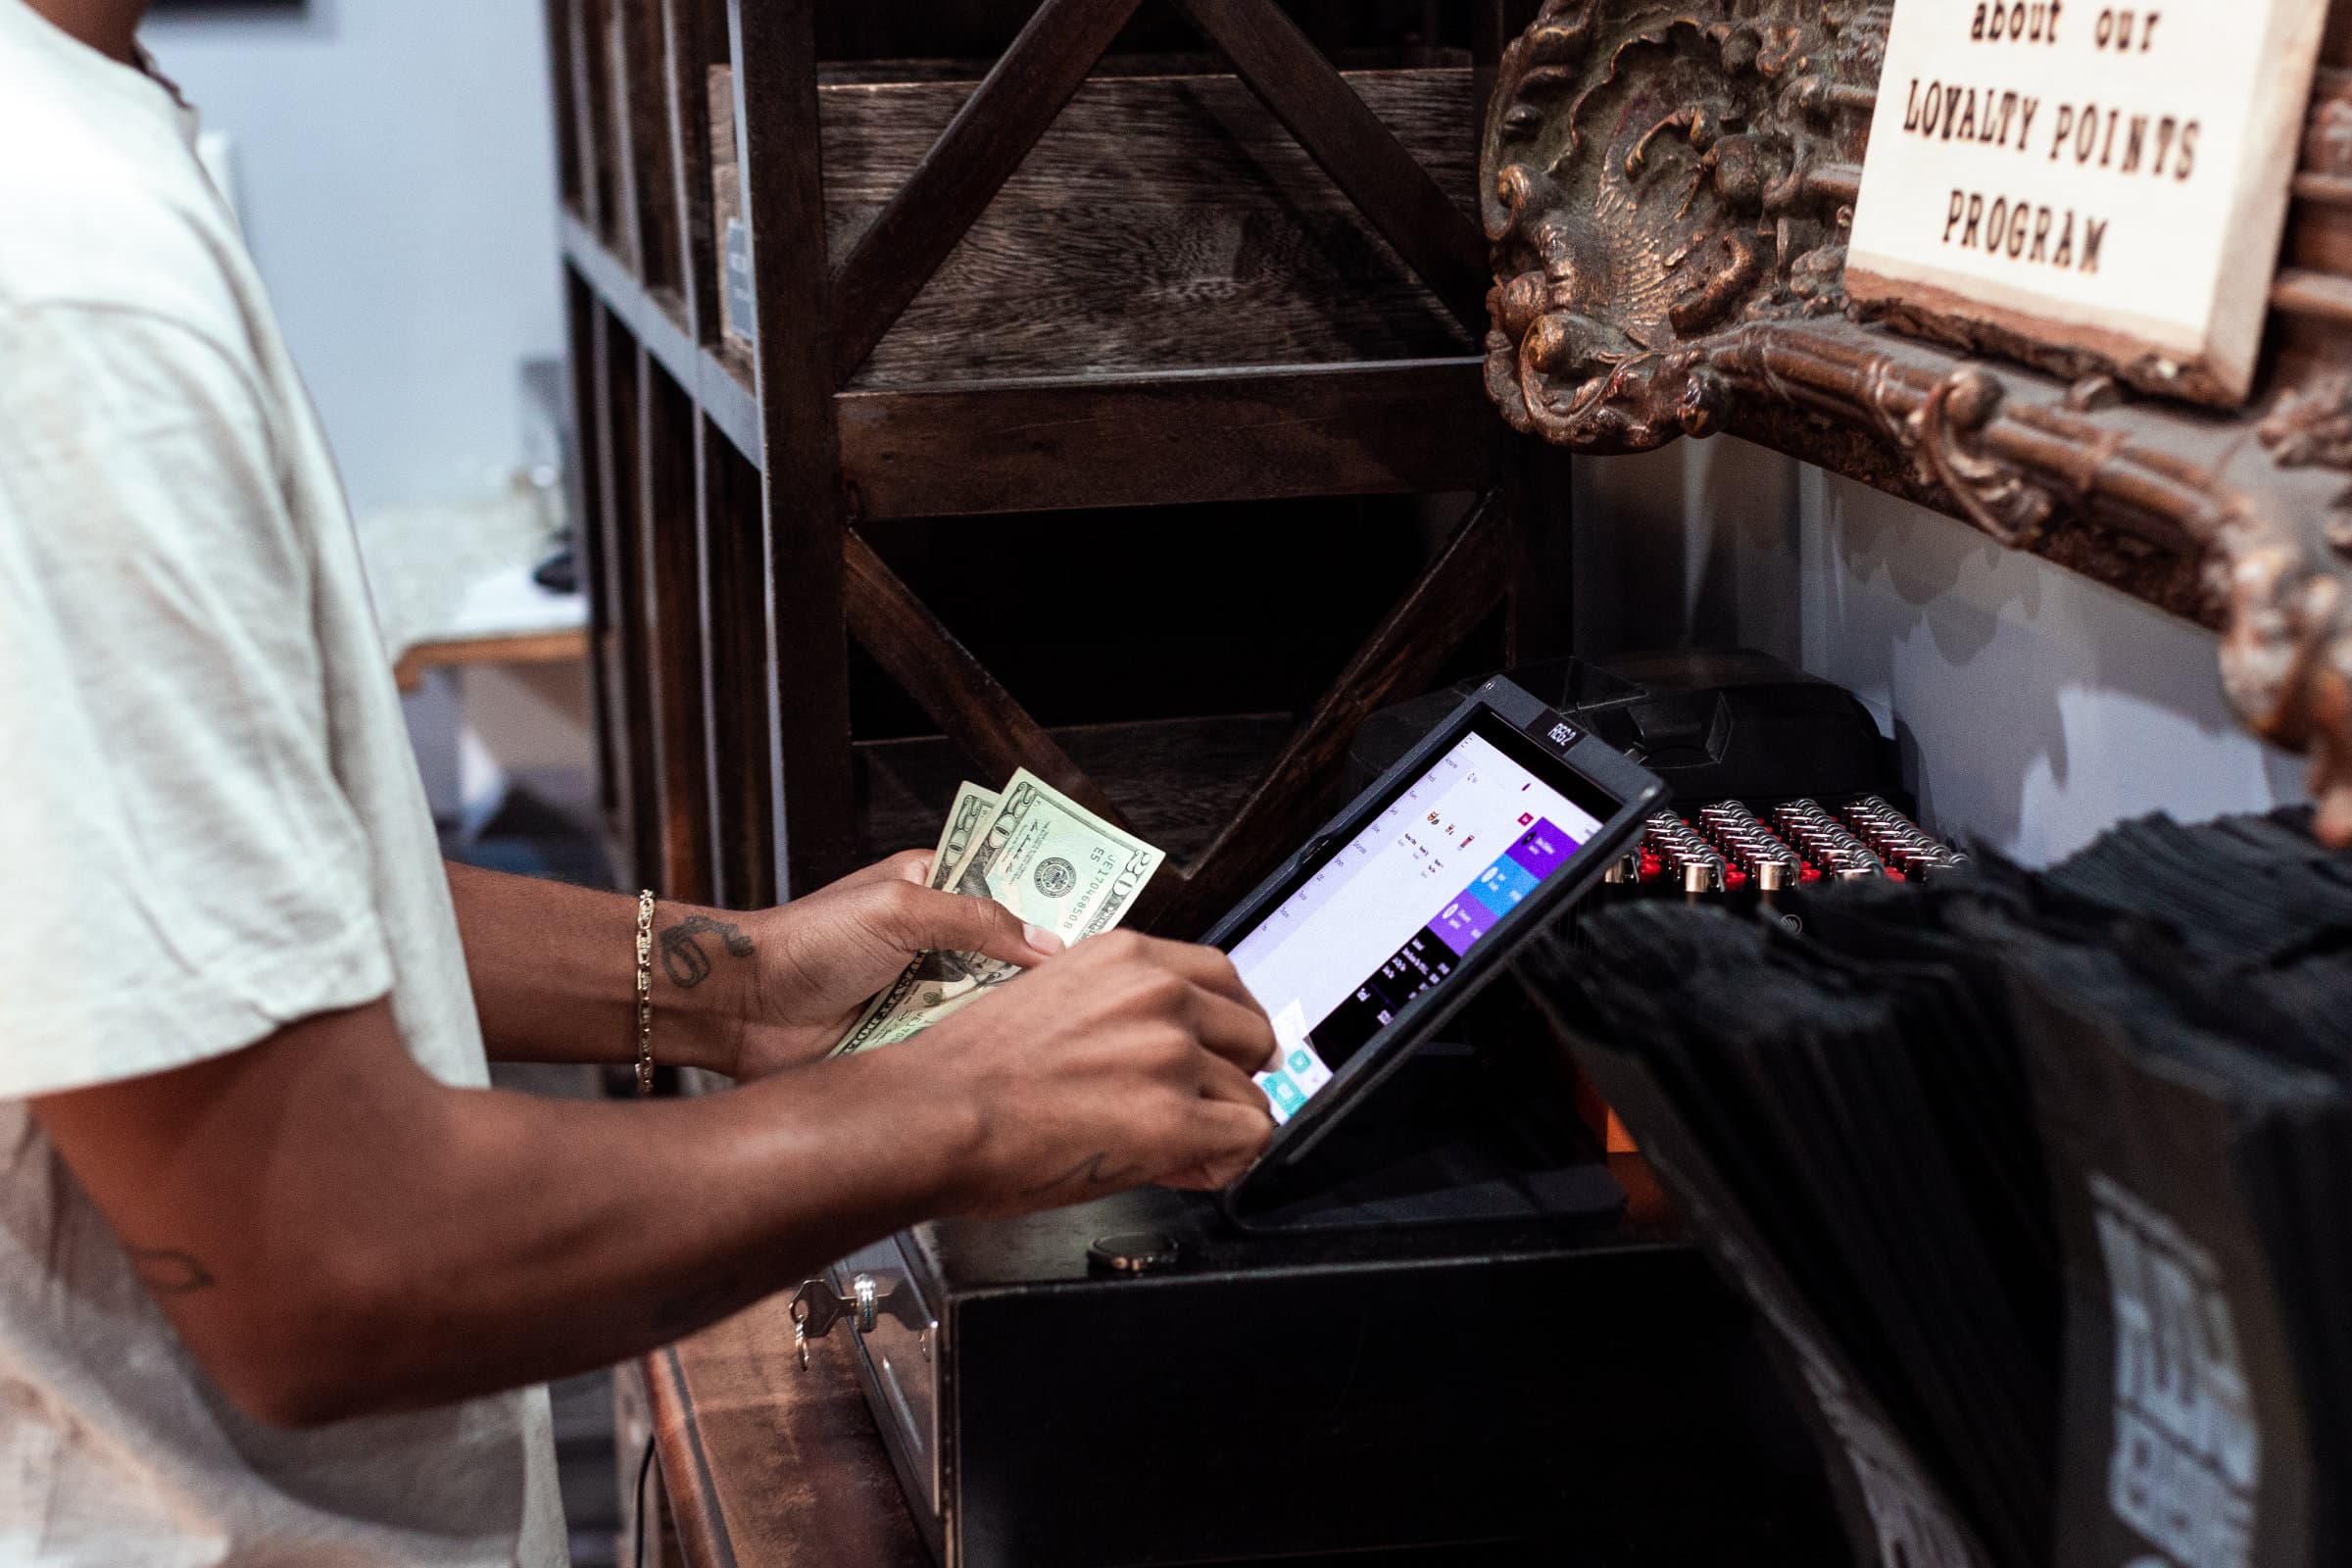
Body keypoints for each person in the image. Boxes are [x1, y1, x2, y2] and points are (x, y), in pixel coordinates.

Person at [0, 1, 1280, 1561]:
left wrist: (730, 987)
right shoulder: (57, 277)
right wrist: (959, 1103)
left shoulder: (74, 154)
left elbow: (194, 907)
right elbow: (332, 1263)